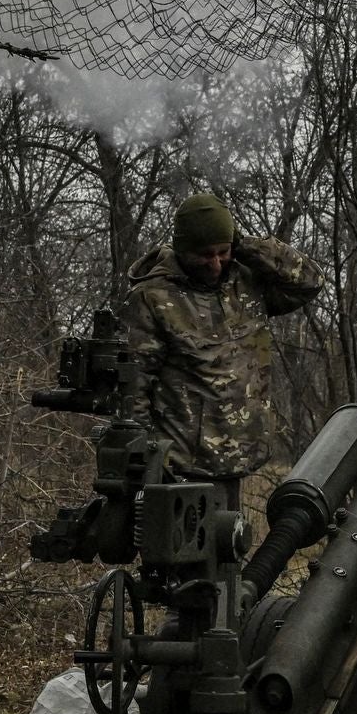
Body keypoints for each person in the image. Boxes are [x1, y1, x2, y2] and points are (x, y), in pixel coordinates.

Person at [122, 192, 323, 506]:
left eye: (223, 252)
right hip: (183, 467)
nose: (215, 264)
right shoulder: (154, 296)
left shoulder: (245, 282)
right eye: (204, 255)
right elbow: (135, 385)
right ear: (182, 249)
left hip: (240, 457)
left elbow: (309, 281)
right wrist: (149, 461)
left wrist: (244, 245)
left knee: (232, 548)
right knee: (186, 552)